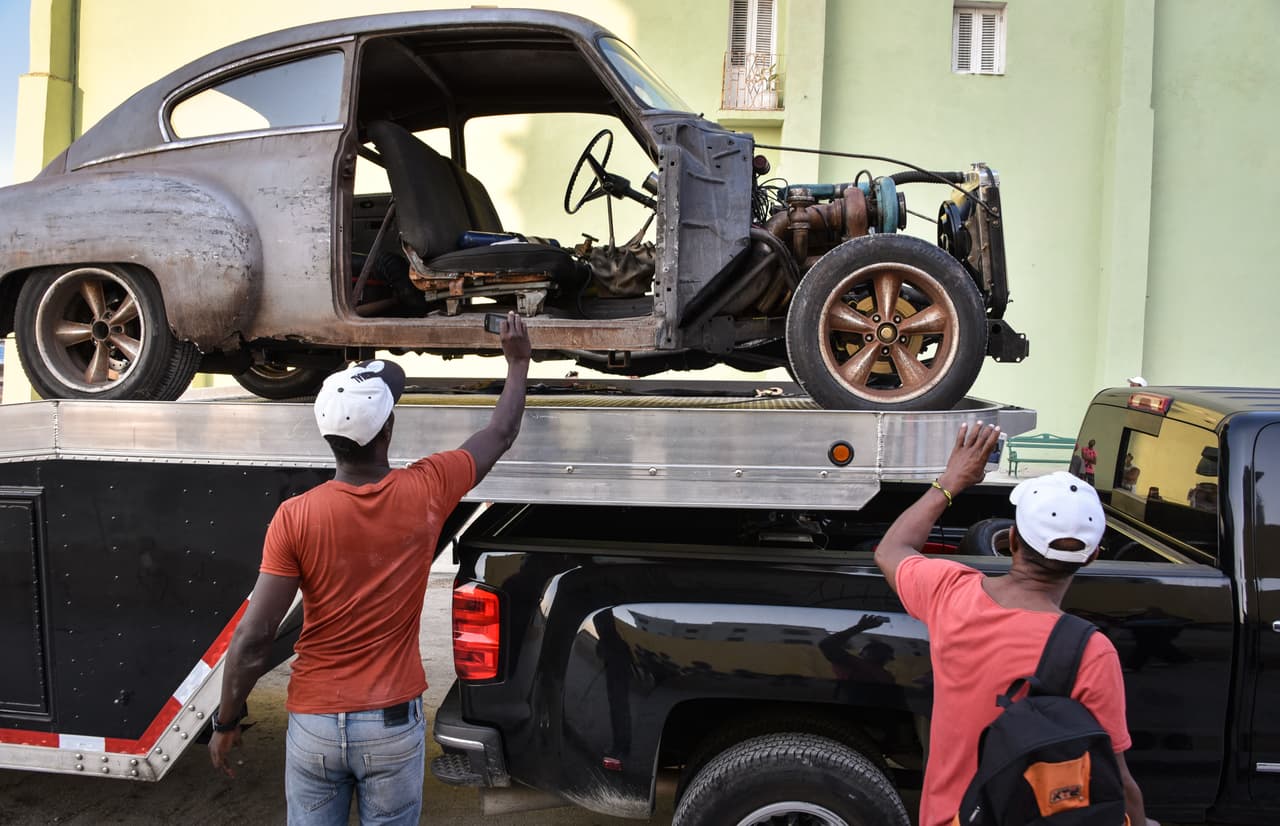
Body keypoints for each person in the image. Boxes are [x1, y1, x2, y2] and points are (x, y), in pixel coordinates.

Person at [208, 311, 532, 825]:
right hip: (390, 724)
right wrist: (517, 363)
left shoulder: (295, 517)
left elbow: (253, 638)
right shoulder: (426, 488)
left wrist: (227, 720)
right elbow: (500, 432)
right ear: (388, 429)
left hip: (313, 721)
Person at [874, 423, 1155, 826]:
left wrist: (952, 481)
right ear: (1091, 557)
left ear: (1011, 540)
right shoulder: (1091, 652)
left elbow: (892, 549)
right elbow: (1117, 777)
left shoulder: (952, 595)